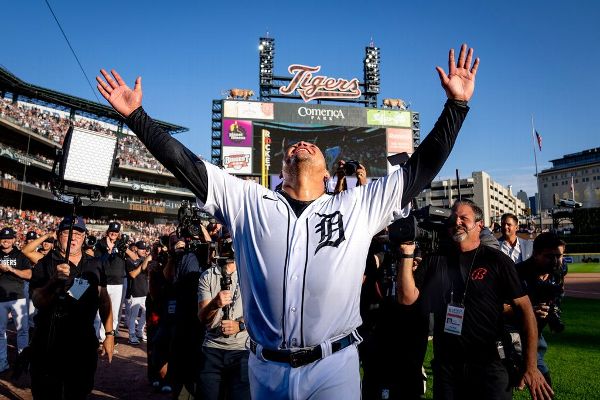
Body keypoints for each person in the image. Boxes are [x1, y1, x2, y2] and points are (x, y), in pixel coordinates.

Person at [98, 43, 478, 399]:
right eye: (291, 147)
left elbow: (421, 169)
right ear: (281, 168)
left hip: (334, 366)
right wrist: (137, 117)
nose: (301, 143)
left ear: (327, 173)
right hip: (266, 369)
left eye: (311, 145)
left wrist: (456, 108)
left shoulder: (357, 205)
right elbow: (186, 164)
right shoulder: (248, 201)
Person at [397, 200, 553, 400]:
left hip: (490, 366)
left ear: (480, 225)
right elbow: (406, 298)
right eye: (453, 218)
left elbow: (525, 310)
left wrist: (531, 366)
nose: (457, 222)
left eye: (464, 218)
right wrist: (406, 255)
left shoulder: (497, 261)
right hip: (448, 369)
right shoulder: (435, 259)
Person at [29, 216, 114, 399]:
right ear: (59, 235)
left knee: (79, 391)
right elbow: (37, 300)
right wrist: (53, 281)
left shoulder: (95, 264)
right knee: (46, 393)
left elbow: (104, 300)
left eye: (78, 233)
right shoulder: (45, 263)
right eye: (68, 233)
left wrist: (109, 334)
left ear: (84, 237)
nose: (73, 238)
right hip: (49, 341)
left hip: (83, 342)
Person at [514, 232, 567, 388]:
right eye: (550, 256)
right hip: (511, 337)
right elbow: (498, 309)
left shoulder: (558, 272)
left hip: (536, 336)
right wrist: (528, 312)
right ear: (536, 254)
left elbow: (555, 298)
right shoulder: (516, 274)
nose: (557, 261)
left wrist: (552, 314)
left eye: (560, 256)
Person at [197, 250, 250, 400]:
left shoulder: (250, 273)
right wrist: (215, 304)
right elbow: (202, 317)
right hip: (212, 348)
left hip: (242, 349)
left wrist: (239, 325)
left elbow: (262, 313)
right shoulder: (208, 275)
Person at [0, 226, 32, 373]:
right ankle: (2, 362)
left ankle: (22, 361)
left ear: (13, 239)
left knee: (23, 331)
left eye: (8, 238)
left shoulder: (20, 255)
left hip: (18, 298)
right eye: (3, 238)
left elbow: (29, 274)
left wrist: (11, 270)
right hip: (0, 299)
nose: (5, 241)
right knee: (0, 332)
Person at [94, 221, 129, 341]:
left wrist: (123, 249)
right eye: (112, 231)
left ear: (119, 233)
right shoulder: (100, 243)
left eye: (116, 232)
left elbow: (133, 257)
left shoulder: (121, 244)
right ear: (108, 231)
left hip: (118, 283)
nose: (113, 233)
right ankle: (98, 338)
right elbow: (98, 261)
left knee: (113, 312)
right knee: (99, 312)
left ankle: (109, 339)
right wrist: (109, 250)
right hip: (104, 282)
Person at [125, 240, 152, 344]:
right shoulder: (129, 261)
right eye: (142, 249)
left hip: (144, 291)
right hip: (135, 292)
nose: (144, 251)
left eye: (145, 249)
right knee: (133, 316)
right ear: (135, 248)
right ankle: (131, 335)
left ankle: (140, 331)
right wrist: (143, 263)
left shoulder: (144, 259)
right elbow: (132, 274)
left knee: (147, 312)